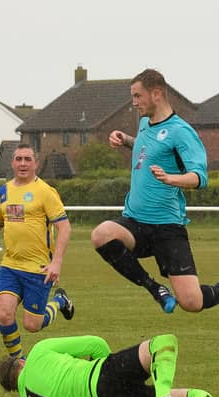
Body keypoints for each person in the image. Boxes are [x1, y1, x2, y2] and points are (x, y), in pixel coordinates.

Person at [91, 68, 219, 314]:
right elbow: (148, 149)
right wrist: (126, 140)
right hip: (135, 222)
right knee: (101, 234)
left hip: (166, 227)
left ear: (157, 93)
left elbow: (200, 177)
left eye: (138, 96)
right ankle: (155, 289)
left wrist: (173, 178)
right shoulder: (144, 125)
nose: (134, 102)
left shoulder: (181, 131)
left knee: (191, 302)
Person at [0, 143, 74, 359]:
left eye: (28, 159)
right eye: (18, 159)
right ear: (12, 162)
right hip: (10, 266)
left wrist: (56, 262)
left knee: (32, 325)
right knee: (5, 315)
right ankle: (18, 362)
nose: (23, 164)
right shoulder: (3, 192)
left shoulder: (45, 192)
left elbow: (64, 227)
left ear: (36, 163)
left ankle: (60, 302)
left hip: (38, 268)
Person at [0, 333, 219, 397]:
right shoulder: (37, 352)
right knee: (164, 342)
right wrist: (112, 369)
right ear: (22, 362)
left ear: (14, 389)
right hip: (100, 377)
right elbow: (96, 344)